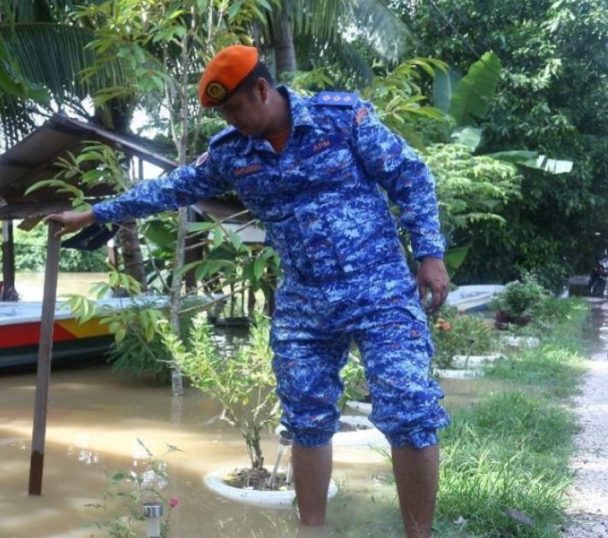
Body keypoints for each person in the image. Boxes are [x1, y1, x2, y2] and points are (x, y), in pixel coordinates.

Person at [47, 45, 450, 538]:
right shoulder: (231, 154)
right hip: (304, 302)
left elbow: (409, 176)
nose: (232, 120)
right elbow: (168, 190)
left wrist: (430, 253)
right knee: (306, 419)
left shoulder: (341, 118)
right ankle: (313, 531)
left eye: (236, 108)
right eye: (223, 114)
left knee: (409, 407)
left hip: (380, 287)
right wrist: (92, 214)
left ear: (262, 89)